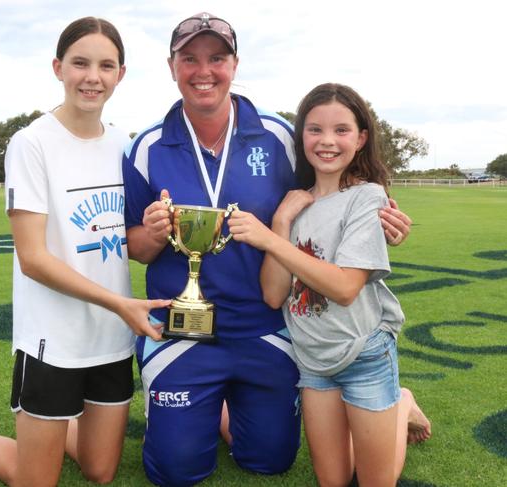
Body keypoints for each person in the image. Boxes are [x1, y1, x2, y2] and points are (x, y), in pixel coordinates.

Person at [122, 13, 413, 486]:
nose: (204, 71)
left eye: (217, 58)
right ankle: (205, 406)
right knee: (174, 472)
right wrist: (154, 234)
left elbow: (332, 179)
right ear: (171, 65)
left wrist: (382, 218)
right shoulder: (147, 146)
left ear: (234, 64)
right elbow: (134, 248)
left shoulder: (279, 135)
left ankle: (395, 402)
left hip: (267, 326)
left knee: (270, 460)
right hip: (182, 333)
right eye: (190, 58)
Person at [0, 17, 169, 486]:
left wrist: (159, 229)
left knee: (100, 471)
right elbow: (33, 259)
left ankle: (53, 428)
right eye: (80, 63)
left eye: (106, 66)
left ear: (120, 74)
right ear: (59, 68)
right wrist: (121, 303)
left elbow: (134, 243)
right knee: (34, 482)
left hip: (109, 337)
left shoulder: (126, 145)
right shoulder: (30, 143)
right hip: (52, 341)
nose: (92, 77)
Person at [227, 82, 431, 487]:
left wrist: (267, 237)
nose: (327, 141)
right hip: (313, 360)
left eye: (341, 130)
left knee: (373, 482)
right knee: (334, 482)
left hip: (364, 354)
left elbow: (344, 288)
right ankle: (398, 405)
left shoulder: (366, 197)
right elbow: (273, 294)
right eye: (315, 129)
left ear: (361, 138)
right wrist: (282, 223)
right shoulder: (293, 203)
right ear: (301, 135)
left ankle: (402, 401)